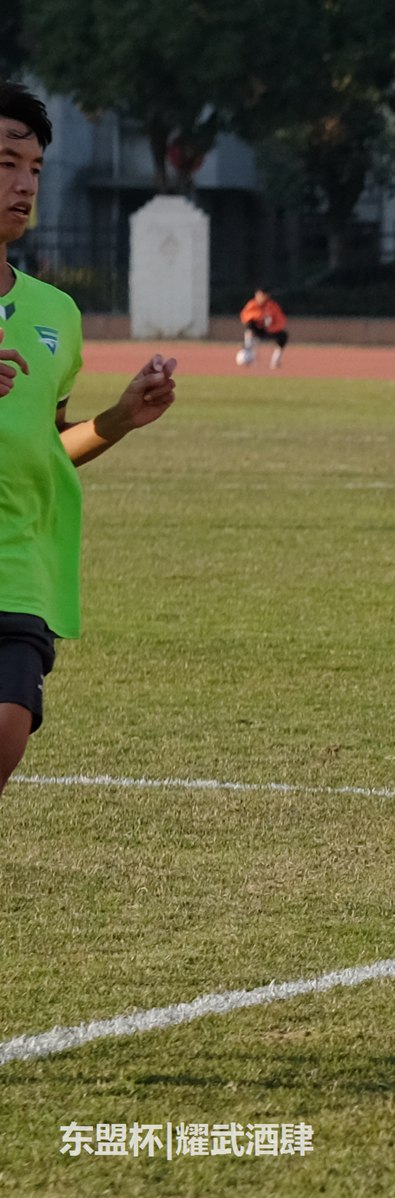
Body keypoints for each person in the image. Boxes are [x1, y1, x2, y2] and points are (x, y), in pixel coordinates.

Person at [0, 81, 179, 798]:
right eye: (6, 162)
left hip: (19, 565)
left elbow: (50, 442)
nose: (23, 183)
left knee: (8, 726)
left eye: (35, 168)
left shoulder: (56, 314)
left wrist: (116, 419)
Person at [239, 288, 288, 368]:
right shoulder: (252, 304)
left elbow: (281, 320)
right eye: (258, 295)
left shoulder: (272, 306)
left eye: (262, 295)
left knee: (283, 335)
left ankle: (276, 360)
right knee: (249, 326)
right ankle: (247, 351)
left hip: (270, 330)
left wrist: (272, 328)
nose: (260, 298)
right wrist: (259, 316)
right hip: (257, 330)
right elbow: (244, 316)